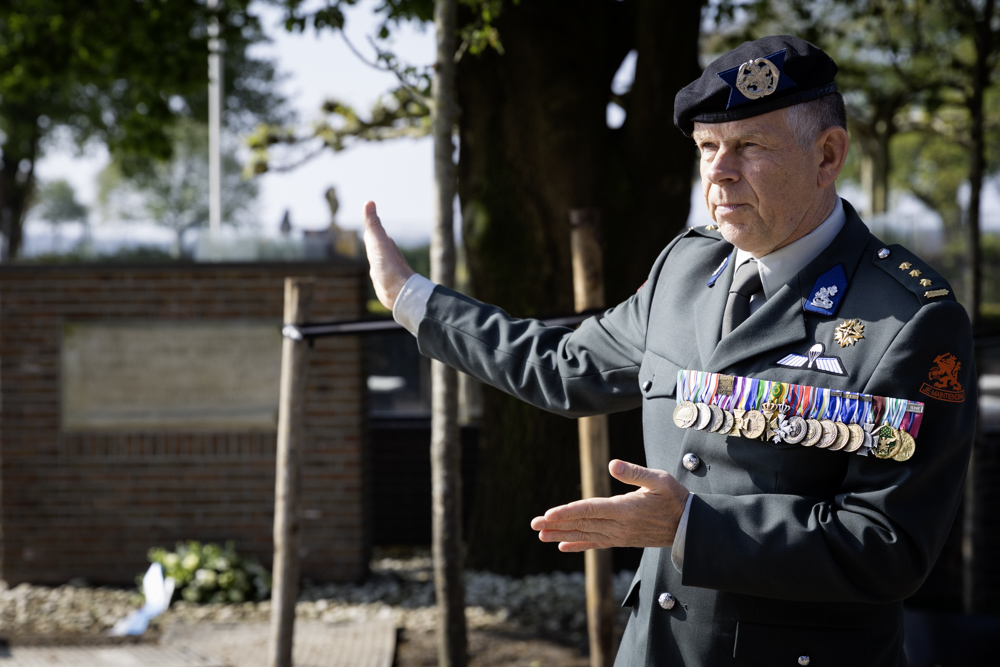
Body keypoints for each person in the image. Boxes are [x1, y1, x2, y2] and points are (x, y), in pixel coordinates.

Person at [363, 35, 977, 667]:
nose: (718, 171)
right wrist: (413, 300)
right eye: (708, 147)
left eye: (749, 146)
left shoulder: (908, 321)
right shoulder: (685, 268)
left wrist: (690, 527)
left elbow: (888, 545)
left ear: (828, 155)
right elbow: (565, 366)